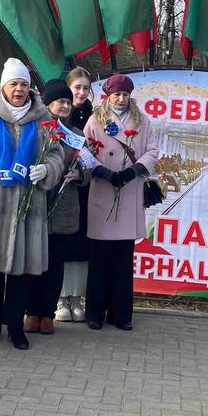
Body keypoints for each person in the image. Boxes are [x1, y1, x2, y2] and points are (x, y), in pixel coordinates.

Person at [0, 58, 65, 350]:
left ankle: (15, 326)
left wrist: (47, 169)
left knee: (21, 270)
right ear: (4, 86)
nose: (19, 89)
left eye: (23, 84)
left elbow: (56, 154)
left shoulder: (43, 117)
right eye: (13, 84)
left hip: (28, 207)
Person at [83, 73, 159, 332]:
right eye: (116, 94)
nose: (121, 98)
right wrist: (102, 171)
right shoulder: (96, 120)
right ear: (108, 95)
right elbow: (84, 150)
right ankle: (94, 313)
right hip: (104, 192)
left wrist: (134, 170)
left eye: (125, 94)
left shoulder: (141, 120)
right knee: (100, 260)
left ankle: (121, 313)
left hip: (128, 191)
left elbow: (152, 150)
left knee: (124, 260)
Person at [24, 79, 83, 334]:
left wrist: (79, 175)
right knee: (34, 262)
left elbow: (88, 166)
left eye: (68, 102)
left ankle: (48, 313)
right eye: (60, 101)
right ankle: (31, 312)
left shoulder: (77, 135)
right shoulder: (35, 128)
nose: (65, 106)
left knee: (55, 263)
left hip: (63, 206)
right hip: (37, 203)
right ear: (48, 103)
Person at [55, 67, 94, 323]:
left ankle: (77, 298)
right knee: (59, 247)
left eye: (85, 88)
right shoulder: (55, 116)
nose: (80, 93)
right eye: (76, 87)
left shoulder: (96, 117)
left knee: (81, 245)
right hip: (55, 192)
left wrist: (83, 175)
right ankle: (59, 298)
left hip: (83, 191)